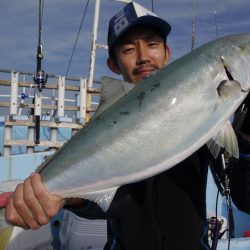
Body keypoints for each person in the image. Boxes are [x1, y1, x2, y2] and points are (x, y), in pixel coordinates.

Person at [4, 2, 250, 249]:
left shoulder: (208, 117)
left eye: (152, 44)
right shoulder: (103, 129)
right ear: (113, 64)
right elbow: (113, 202)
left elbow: (244, 196)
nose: (143, 56)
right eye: (129, 49)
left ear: (167, 53)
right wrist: (65, 198)